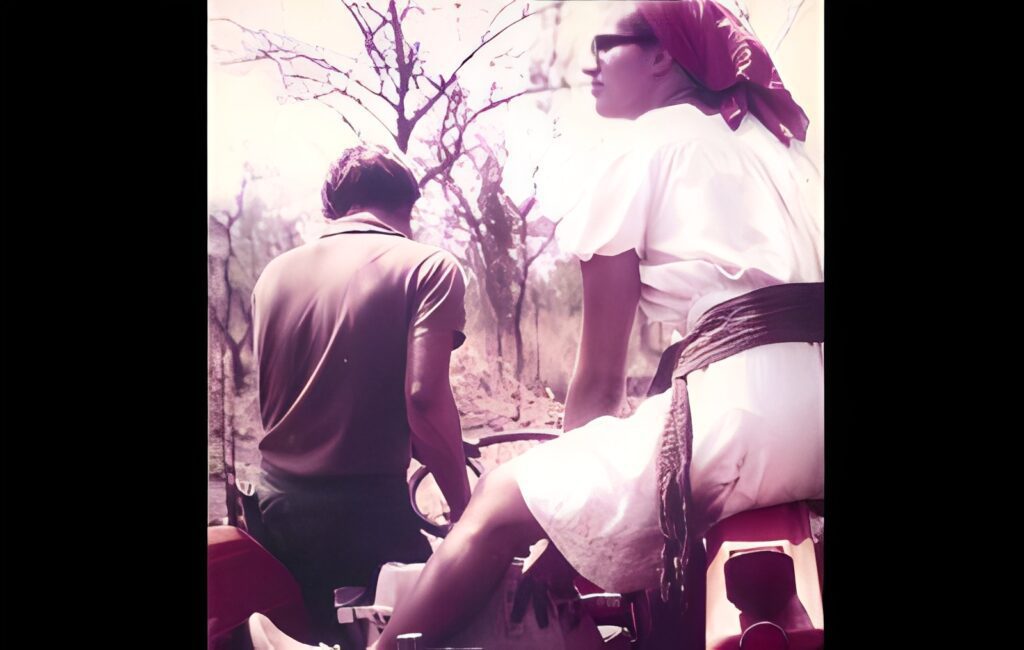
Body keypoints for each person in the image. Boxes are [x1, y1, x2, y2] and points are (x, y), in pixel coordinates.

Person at [251, 2, 824, 648]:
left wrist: (559, 528)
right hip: (814, 416)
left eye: (609, 45)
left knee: (496, 500)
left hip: (747, 422)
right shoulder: (769, 149)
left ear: (664, 55)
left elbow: (601, 382)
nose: (591, 62)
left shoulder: (643, 144)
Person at [249, 145, 472, 643]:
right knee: (453, 623)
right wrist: (464, 511)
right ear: (408, 206)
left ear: (333, 207)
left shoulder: (272, 274)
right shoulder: (429, 267)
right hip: (365, 513)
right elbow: (423, 399)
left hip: (276, 507)